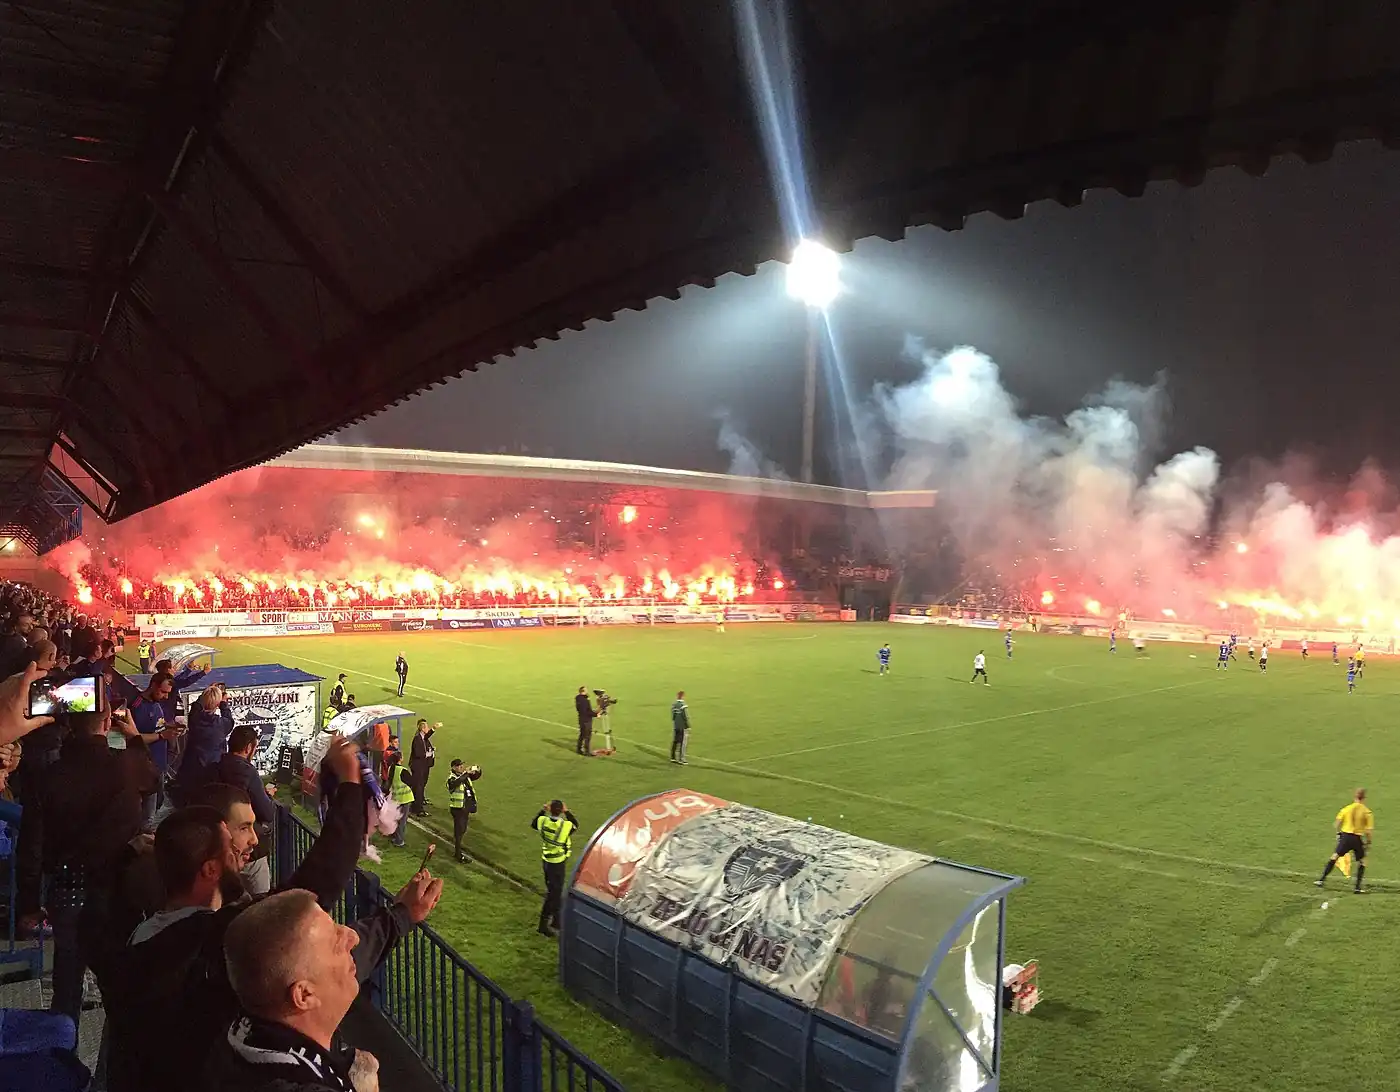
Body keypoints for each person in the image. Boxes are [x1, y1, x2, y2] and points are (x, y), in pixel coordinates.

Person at [103, 736, 368, 1092]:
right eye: (236, 838)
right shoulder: (212, 938)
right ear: (210, 869)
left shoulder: (141, 933)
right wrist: (350, 784)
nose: (250, 843)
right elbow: (318, 882)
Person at [206, 873, 442, 1091]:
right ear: (305, 996)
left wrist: (400, 916)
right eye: (337, 944)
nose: (353, 937)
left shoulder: (249, 1028)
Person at [41, 703, 158, 1021]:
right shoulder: (125, 765)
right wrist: (134, 739)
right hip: (114, 889)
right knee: (121, 981)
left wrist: (28, 901)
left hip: (67, 888)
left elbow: (33, 841)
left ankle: (61, 1060)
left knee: (67, 978)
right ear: (107, 722)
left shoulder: (52, 773)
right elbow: (153, 781)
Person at [210, 725, 278, 895]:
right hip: (249, 853)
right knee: (261, 904)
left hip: (220, 847)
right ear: (249, 748)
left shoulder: (213, 768)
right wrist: (267, 797)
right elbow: (267, 812)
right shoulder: (249, 772)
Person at [130, 671, 181, 825]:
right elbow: (134, 737)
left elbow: (157, 725)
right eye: (163, 692)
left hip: (159, 766)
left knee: (157, 804)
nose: (166, 697)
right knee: (148, 816)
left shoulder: (156, 703)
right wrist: (162, 736)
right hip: (146, 769)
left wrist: (171, 726)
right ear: (153, 685)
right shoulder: (137, 706)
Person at [177, 683, 235, 800]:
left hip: (192, 768)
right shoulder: (221, 724)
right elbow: (229, 718)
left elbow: (197, 707)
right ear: (217, 704)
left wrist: (206, 693)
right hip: (213, 769)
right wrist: (223, 702)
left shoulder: (194, 719)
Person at [533, 800, 578, 937]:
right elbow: (575, 824)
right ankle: (543, 925)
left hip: (546, 859)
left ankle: (557, 921)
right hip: (557, 862)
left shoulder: (543, 822)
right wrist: (567, 811)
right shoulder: (564, 826)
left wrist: (543, 810)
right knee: (553, 894)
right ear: (561, 810)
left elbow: (534, 823)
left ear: (550, 809)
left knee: (555, 892)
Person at [1316, 788, 1372, 895]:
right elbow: (1368, 831)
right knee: (1362, 861)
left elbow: (1336, 824)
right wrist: (1369, 842)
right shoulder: (1366, 812)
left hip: (1346, 837)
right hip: (1357, 838)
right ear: (1364, 798)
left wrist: (1338, 834)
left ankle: (1321, 880)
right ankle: (1357, 887)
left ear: (1354, 797)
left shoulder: (1347, 808)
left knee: (1335, 856)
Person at [446, 759, 479, 863]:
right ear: (453, 768)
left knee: (462, 830)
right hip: (458, 808)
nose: (461, 767)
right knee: (459, 831)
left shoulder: (464, 776)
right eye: (459, 766)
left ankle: (458, 850)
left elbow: (474, 777)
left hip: (465, 807)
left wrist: (476, 770)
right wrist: (466, 773)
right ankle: (458, 854)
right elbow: (455, 784)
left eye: (461, 765)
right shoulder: (451, 778)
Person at [383, 752, 414, 847]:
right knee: (402, 821)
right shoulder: (403, 770)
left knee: (395, 819)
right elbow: (411, 782)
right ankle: (399, 841)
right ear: (400, 759)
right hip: (405, 798)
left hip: (396, 798)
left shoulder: (391, 769)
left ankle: (393, 835)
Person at [409, 718, 436, 815]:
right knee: (418, 787)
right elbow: (418, 753)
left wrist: (433, 728)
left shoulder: (422, 737)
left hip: (422, 766)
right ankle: (418, 809)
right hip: (418, 767)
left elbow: (427, 736)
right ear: (423, 729)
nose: (428, 729)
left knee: (420, 786)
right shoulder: (417, 739)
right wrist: (429, 753)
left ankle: (415, 804)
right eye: (427, 727)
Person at [670, 690, 690, 764]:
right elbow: (685, 716)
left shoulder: (674, 705)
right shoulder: (683, 705)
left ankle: (673, 757)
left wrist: (675, 722)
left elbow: (673, 716)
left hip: (676, 726)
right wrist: (687, 726)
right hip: (682, 726)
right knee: (683, 742)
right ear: (683, 696)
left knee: (675, 741)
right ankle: (682, 759)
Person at [574, 686, 594, 756]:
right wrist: (595, 714)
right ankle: (587, 751)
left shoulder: (578, 698)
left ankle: (579, 749)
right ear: (583, 691)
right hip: (586, 720)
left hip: (581, 719)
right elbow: (587, 711)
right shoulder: (585, 701)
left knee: (582, 735)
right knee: (587, 736)